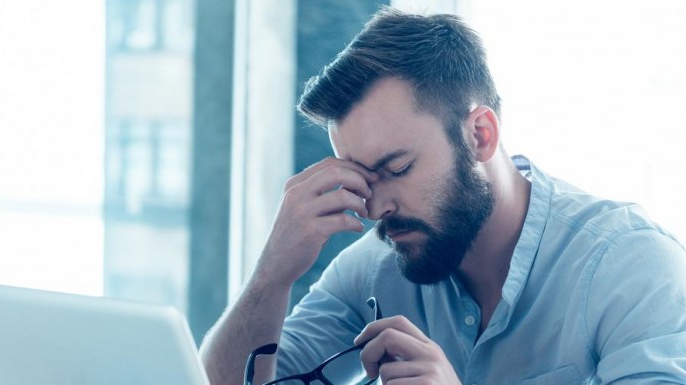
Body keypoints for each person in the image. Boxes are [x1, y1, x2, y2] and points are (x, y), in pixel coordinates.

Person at [200, 7, 686, 384]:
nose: (375, 209)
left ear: (480, 135)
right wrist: (271, 274)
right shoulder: (374, 270)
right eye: (362, 179)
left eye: (397, 168)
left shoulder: (630, 265)